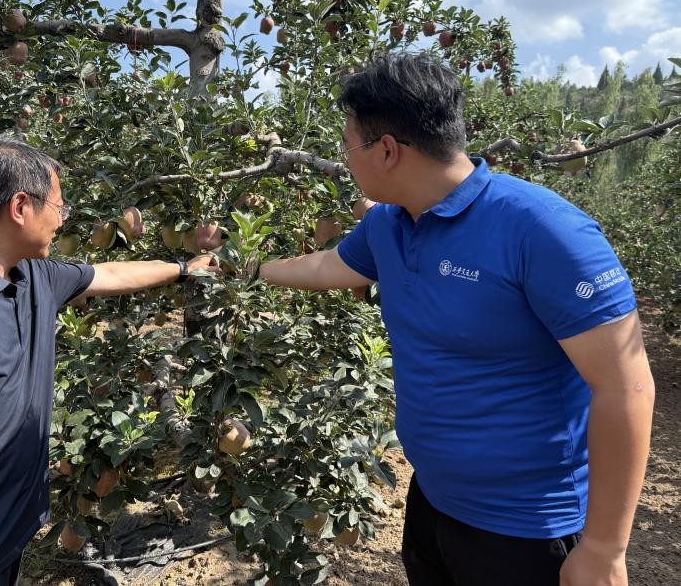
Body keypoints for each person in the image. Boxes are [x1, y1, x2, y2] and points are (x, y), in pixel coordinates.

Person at [258, 53, 654, 586]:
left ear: (388, 150)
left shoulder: (544, 231)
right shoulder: (389, 224)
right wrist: (247, 267)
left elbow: (626, 386)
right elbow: (329, 266)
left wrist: (605, 549)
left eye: (349, 146)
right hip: (433, 500)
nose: (346, 161)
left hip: (529, 528)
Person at [0, 136, 217, 586]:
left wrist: (185, 269)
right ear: (20, 207)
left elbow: (110, 273)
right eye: (58, 207)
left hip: (9, 526)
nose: (62, 219)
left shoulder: (35, 276)